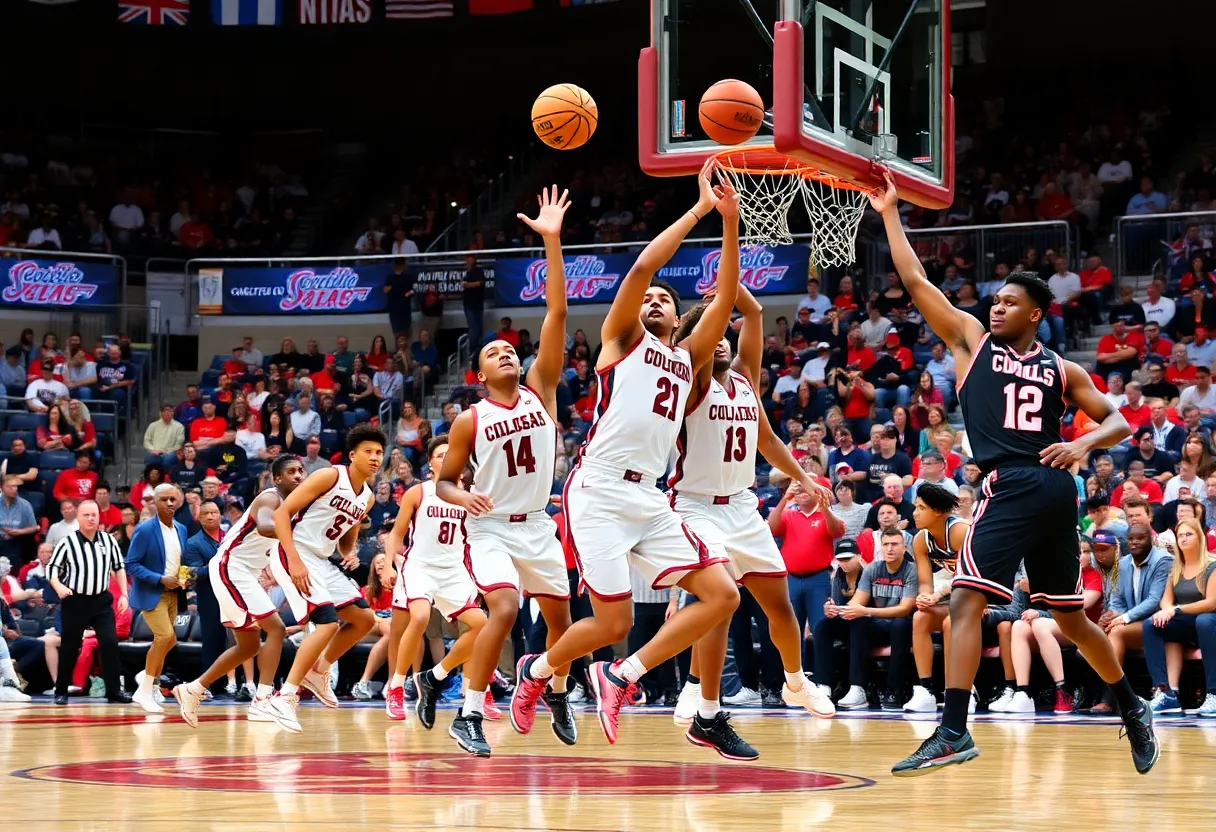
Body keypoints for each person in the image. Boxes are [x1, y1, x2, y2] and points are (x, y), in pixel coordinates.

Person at [871, 172, 1159, 777]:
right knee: (1071, 617)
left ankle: (952, 730)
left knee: (967, 601)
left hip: (1020, 483)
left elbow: (1118, 424)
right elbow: (917, 281)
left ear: (1035, 315)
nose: (995, 307)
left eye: (1009, 303)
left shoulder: (1047, 364)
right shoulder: (980, 342)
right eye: (994, 300)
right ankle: (1133, 708)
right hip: (1053, 490)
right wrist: (889, 214)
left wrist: (1079, 442)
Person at [509, 165, 750, 759]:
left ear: (678, 318)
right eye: (648, 299)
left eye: (665, 300)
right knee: (611, 624)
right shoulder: (621, 341)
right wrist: (697, 210)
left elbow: (724, 295)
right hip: (598, 490)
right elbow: (642, 267)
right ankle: (537, 668)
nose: (653, 301)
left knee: (722, 595)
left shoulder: (692, 357)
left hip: (650, 495)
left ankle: (621, 676)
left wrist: (730, 223)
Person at [432, 186, 575, 757]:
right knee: (507, 608)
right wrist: (457, 496)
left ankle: (558, 689)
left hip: (538, 523)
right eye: (493, 353)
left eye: (509, 348)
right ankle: (467, 713)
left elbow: (558, 312)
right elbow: (444, 479)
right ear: (479, 373)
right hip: (490, 526)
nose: (506, 353)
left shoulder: (542, 389)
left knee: (564, 619)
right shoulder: (470, 419)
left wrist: (552, 241)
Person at [666, 284, 836, 726]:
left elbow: (767, 440)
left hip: (742, 506)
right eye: (711, 331)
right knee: (717, 600)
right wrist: (713, 309)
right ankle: (699, 695)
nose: (720, 338)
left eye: (726, 331)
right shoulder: (692, 379)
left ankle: (796, 683)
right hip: (695, 505)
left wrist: (803, 478)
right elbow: (705, 339)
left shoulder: (743, 381)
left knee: (777, 606)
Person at [263, 426, 383, 733]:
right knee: (328, 623)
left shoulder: (367, 497)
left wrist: (351, 551)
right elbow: (281, 515)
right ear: (353, 455)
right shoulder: (329, 476)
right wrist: (294, 561)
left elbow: (344, 540)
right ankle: (286, 695)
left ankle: (319, 669)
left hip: (322, 559)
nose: (374, 457)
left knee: (364, 619)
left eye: (379, 453)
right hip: (296, 550)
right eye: (368, 451)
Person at [172, 456, 306, 727]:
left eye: (301, 470)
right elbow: (266, 526)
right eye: (291, 471)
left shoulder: (294, 507)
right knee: (277, 629)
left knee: (250, 645)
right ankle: (262, 700)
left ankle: (193, 688)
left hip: (247, 570)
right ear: (277, 478)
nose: (298, 475)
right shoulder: (271, 498)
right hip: (230, 566)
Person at [382, 435, 488, 729]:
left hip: (453, 570)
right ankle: (397, 686)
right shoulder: (418, 492)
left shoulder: (468, 496)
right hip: (420, 566)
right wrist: (389, 563)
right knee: (419, 617)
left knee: (482, 625)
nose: (446, 458)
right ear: (430, 462)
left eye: (450, 454)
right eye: (440, 455)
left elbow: (477, 539)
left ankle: (435, 676)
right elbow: (396, 533)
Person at [810, 528, 917, 709]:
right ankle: (826, 686)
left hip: (900, 624)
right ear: (880, 547)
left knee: (897, 624)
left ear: (904, 548)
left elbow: (904, 609)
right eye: (886, 544)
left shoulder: (911, 570)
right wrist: (836, 610)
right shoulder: (873, 568)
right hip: (874, 624)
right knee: (824, 625)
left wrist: (865, 611)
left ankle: (889, 689)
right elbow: (856, 602)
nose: (890, 549)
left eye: (895, 544)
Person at [47, 500, 131, 705]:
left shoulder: (108, 541)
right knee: (70, 645)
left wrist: (124, 595)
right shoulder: (68, 542)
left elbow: (119, 567)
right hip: (75, 600)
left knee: (110, 643)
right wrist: (59, 588)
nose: (91, 518)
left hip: (101, 600)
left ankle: (114, 691)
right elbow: (52, 569)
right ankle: (61, 690)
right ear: (78, 517)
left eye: (94, 514)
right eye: (86, 515)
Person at [903, 483, 973, 713]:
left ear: (938, 512)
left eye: (921, 508)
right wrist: (924, 596)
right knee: (920, 617)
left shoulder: (961, 531)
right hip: (957, 599)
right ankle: (925, 691)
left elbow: (974, 576)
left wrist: (939, 594)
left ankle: (962, 690)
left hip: (986, 597)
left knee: (951, 621)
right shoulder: (921, 540)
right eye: (915, 507)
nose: (914, 513)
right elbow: (925, 582)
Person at [124, 484, 189, 714]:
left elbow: (180, 560)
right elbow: (131, 564)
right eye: (164, 500)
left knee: (168, 641)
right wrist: (160, 579)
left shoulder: (181, 528)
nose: (170, 503)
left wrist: (184, 576)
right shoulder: (145, 529)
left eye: (173, 499)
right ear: (155, 502)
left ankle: (147, 678)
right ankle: (146, 689)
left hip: (174, 593)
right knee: (164, 637)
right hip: (153, 592)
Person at [1141, 518, 1216, 716]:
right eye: (1180, 535)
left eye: (1188, 534)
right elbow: (1166, 600)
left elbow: (1211, 603)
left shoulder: (1212, 565)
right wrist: (1167, 611)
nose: (1183, 539)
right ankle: (1165, 693)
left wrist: (1175, 610)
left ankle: (1214, 694)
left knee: (1204, 620)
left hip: (1210, 622)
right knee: (1151, 624)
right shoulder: (1175, 567)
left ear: (1199, 538)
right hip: (1188, 622)